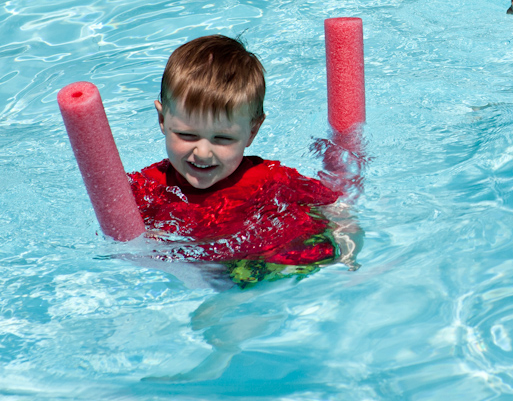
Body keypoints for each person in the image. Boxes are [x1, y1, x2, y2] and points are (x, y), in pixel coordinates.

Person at [128, 35, 356, 287]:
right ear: (162, 120)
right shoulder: (145, 188)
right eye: (186, 135)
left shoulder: (269, 178)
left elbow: (335, 207)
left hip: (273, 263)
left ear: (252, 131)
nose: (203, 152)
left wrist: (348, 253)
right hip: (213, 272)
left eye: (223, 138)